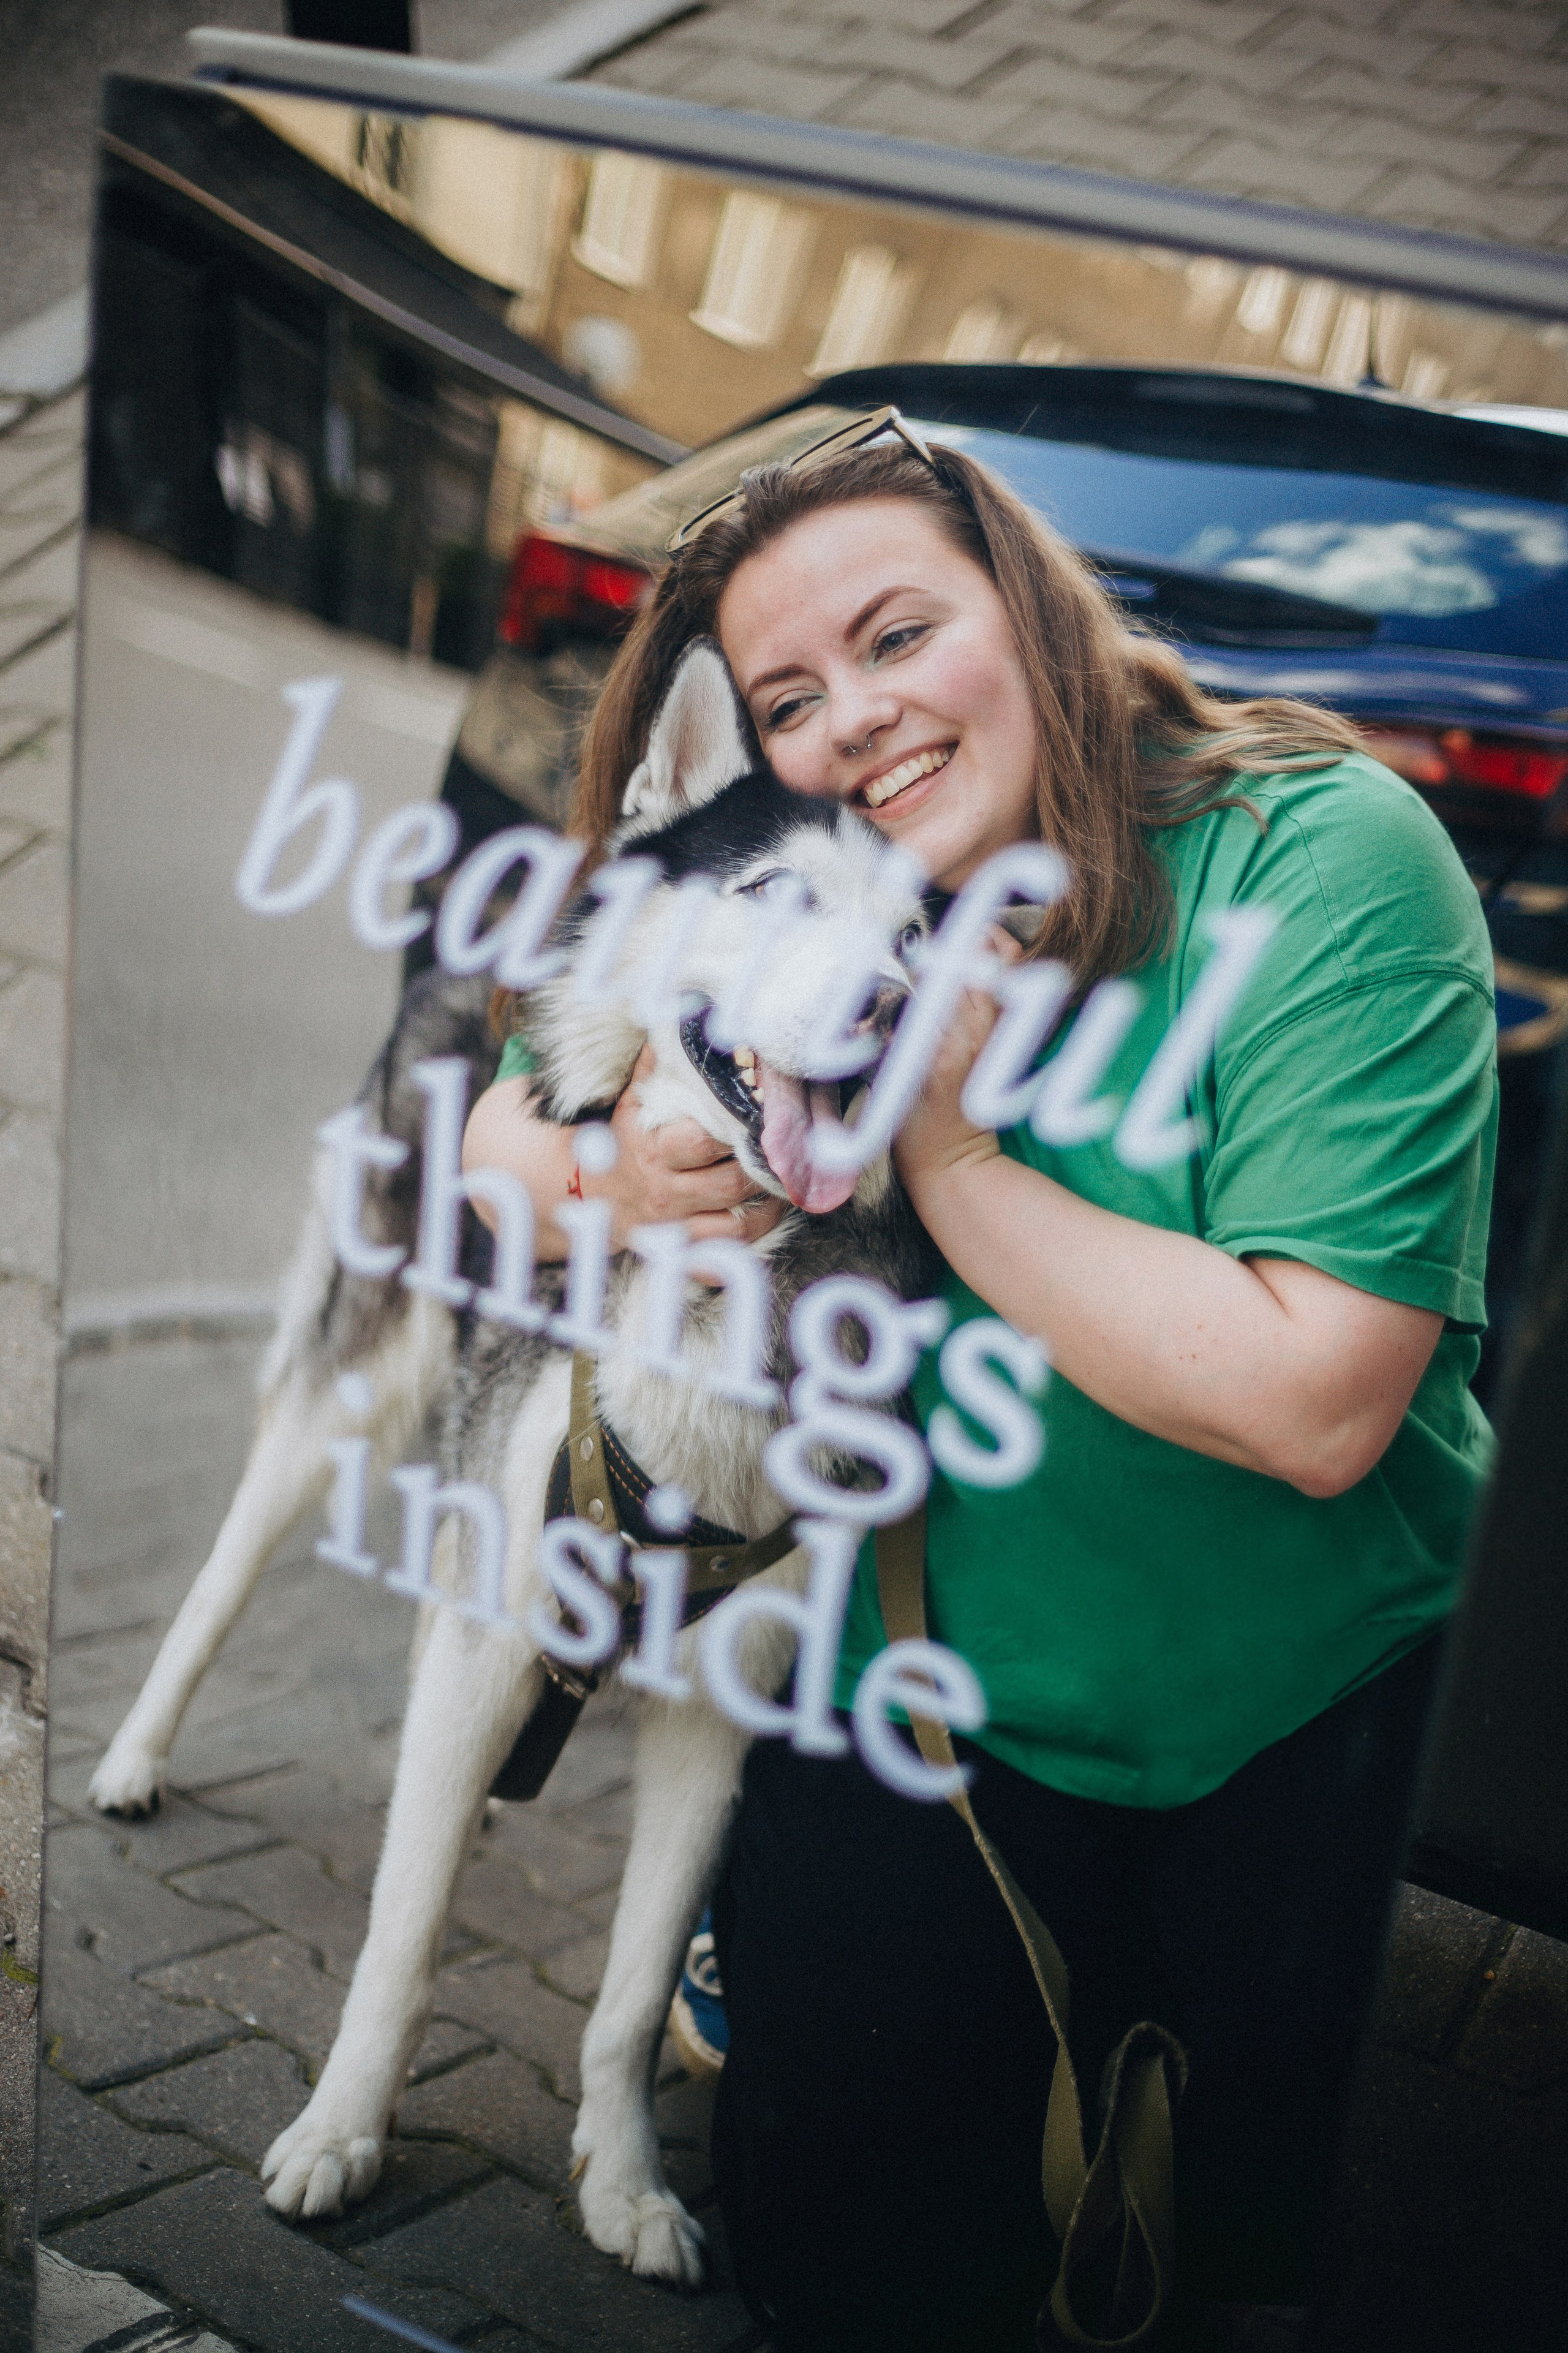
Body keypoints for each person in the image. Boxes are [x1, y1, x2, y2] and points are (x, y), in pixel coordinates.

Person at [461, 425, 1496, 2353]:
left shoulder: (1327, 858)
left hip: (1287, 1695)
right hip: (925, 1694)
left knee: (1257, 2259)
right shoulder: (811, 906)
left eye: (896, 633)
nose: (850, 718)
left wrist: (942, 1149)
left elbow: (1319, 1398)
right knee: (832, 2259)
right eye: (788, 697)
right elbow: (499, 1134)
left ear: (1023, 612)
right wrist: (613, 1171)